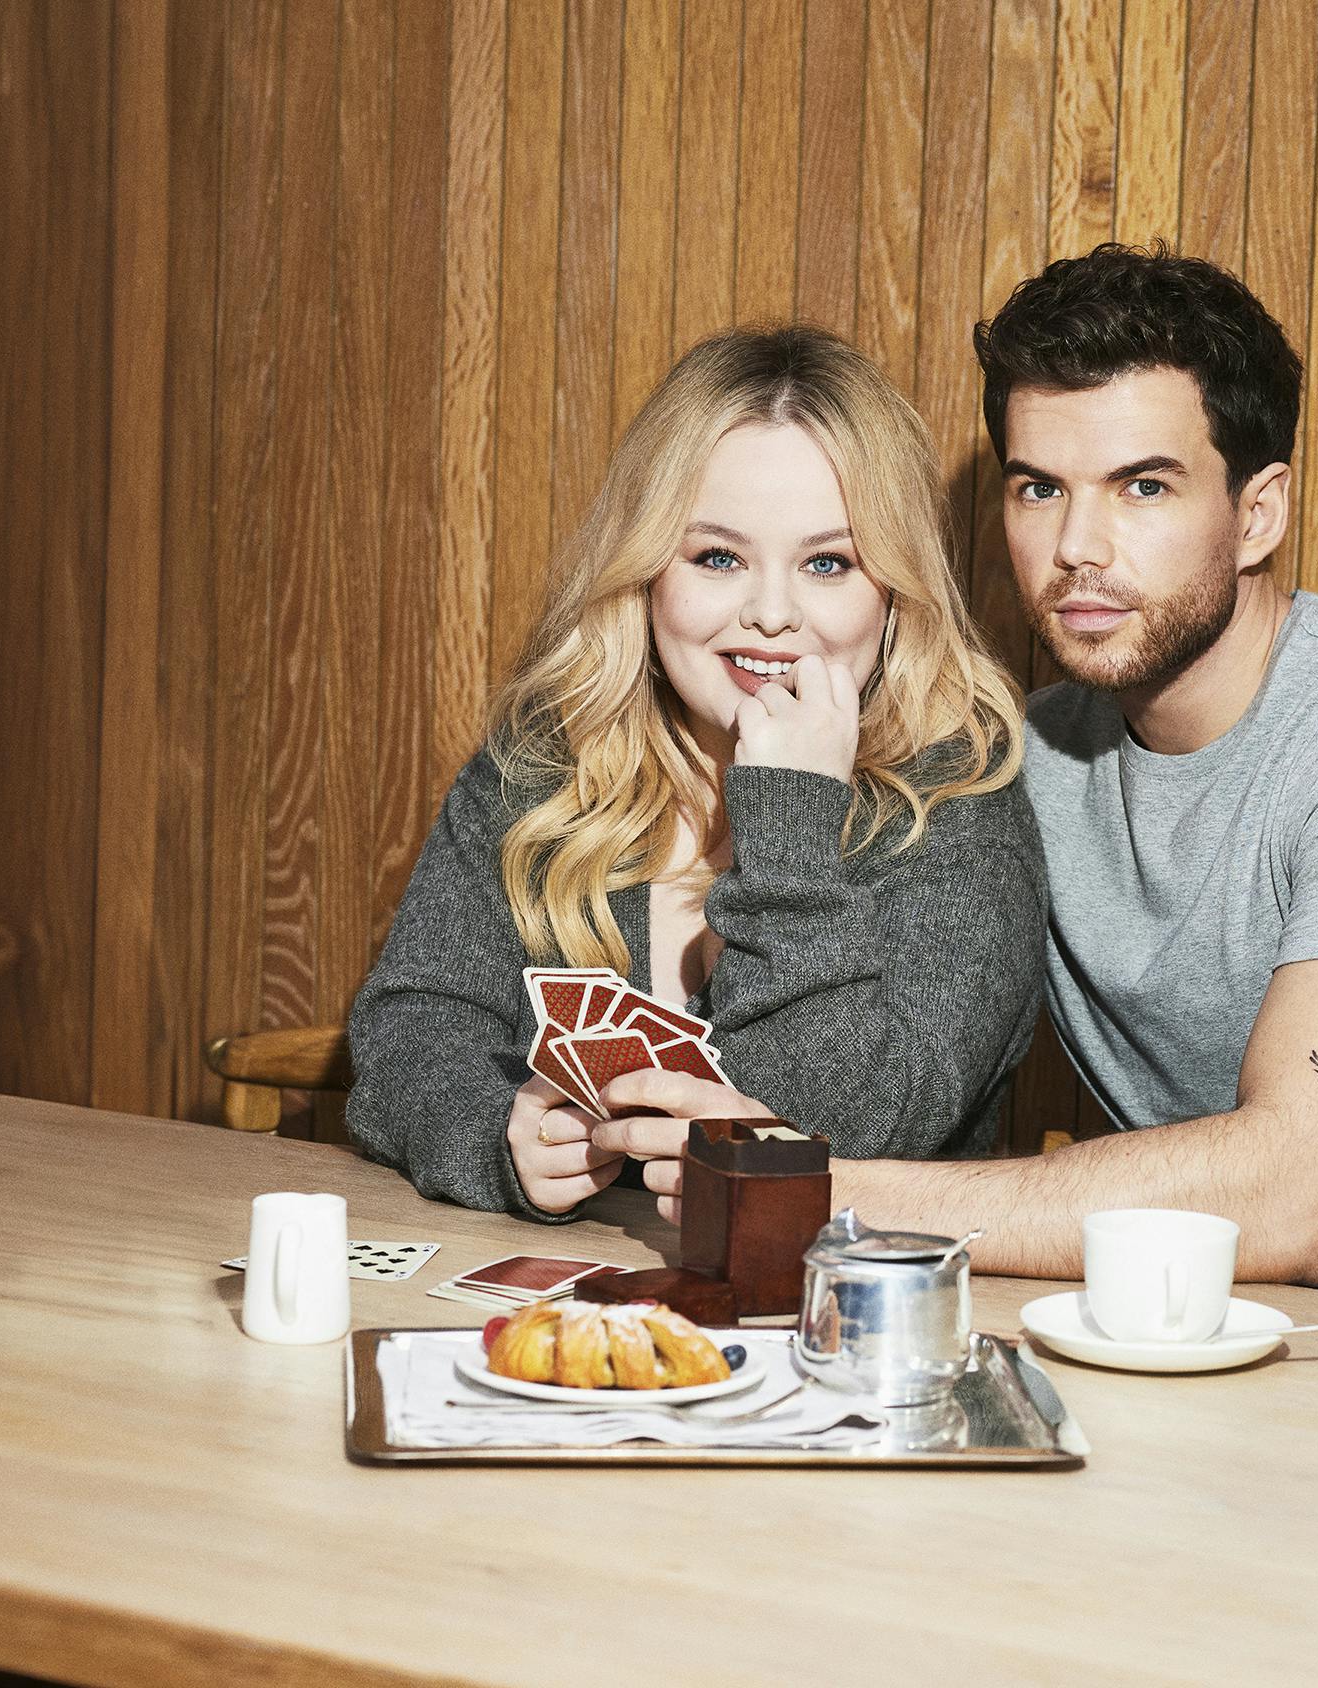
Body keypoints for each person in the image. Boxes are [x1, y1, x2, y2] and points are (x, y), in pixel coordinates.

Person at [593, 246, 1318, 1322]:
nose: (1076, 546)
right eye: (1038, 488)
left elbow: (1309, 1194)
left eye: (1143, 487)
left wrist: (829, 1196)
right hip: (1174, 1369)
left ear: (1259, 513)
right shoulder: (1022, 766)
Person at [346, 325, 1046, 1223]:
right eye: (719, 557)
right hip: (565, 1314)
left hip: (828, 1326)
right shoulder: (548, 760)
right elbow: (411, 1024)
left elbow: (853, 1137)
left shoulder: (958, 802)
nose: (769, 614)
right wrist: (495, 1136)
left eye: (828, 563)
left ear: (894, 593)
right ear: (646, 572)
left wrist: (788, 827)